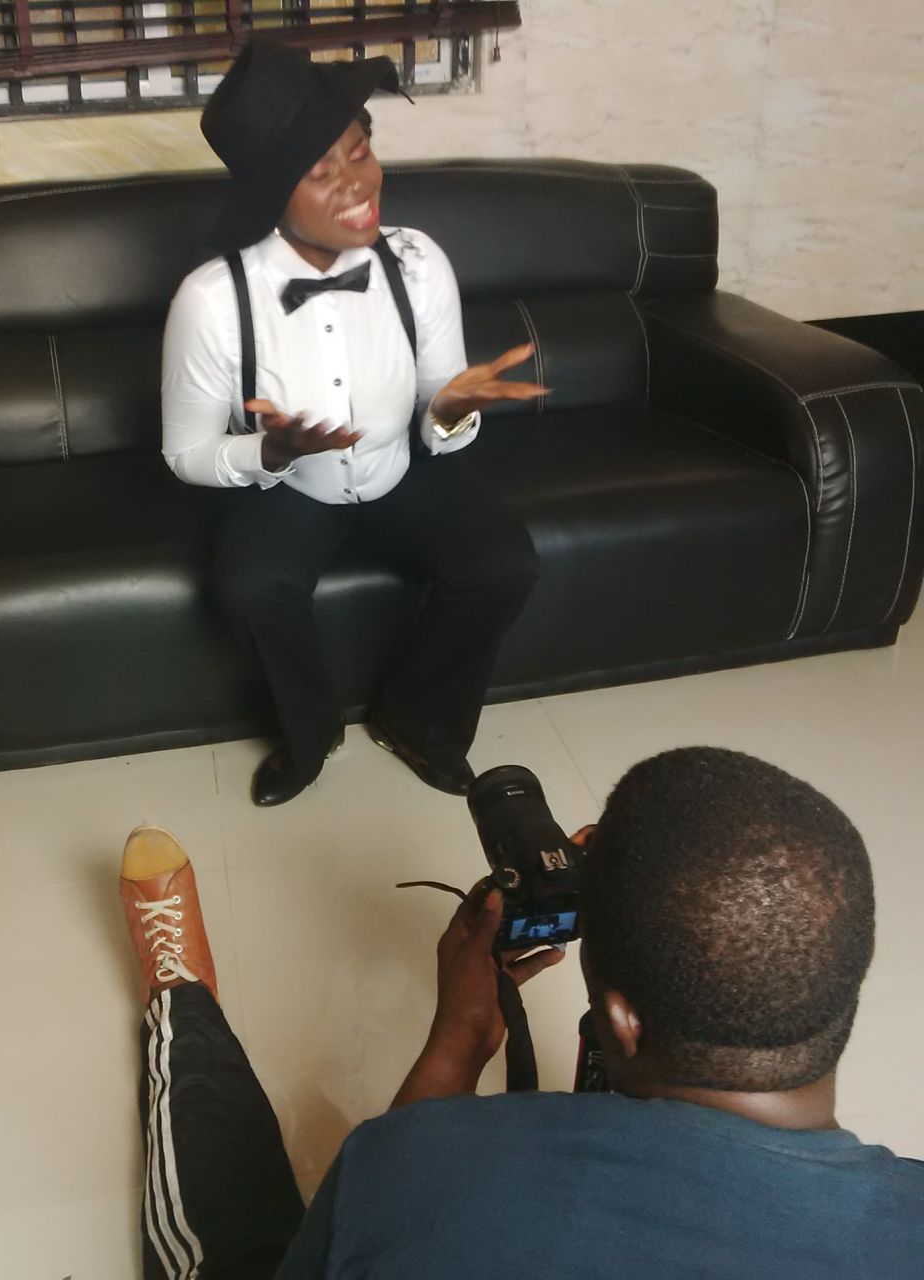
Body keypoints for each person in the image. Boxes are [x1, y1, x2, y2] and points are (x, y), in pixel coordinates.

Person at [119, 747, 923, 1278]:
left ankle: (180, 1005)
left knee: (222, 1215)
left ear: (622, 1020)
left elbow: (395, 1182)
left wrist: (459, 1042)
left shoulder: (424, 1166)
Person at [162, 42, 545, 806]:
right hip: (290, 486)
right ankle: (310, 739)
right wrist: (268, 451)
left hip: (400, 464)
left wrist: (448, 413)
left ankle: (420, 724)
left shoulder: (418, 263)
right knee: (251, 588)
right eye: (321, 170)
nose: (357, 183)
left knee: (505, 562)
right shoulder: (212, 300)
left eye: (360, 151)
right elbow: (185, 451)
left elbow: (439, 402)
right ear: (272, 194)